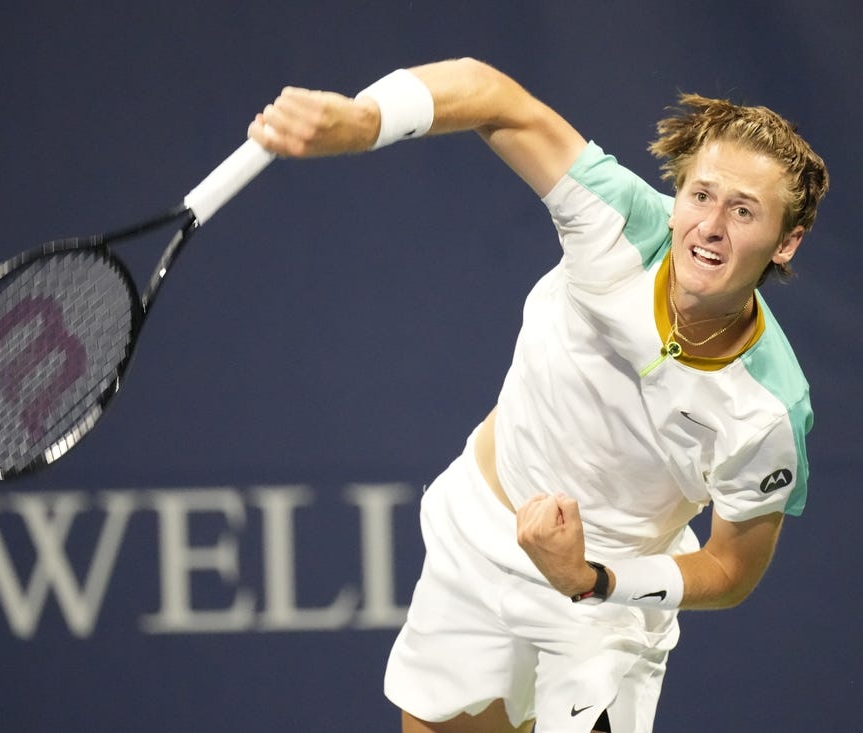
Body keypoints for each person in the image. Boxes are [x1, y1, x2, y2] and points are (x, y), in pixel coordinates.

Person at [248, 58, 829, 733]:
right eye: (701, 196)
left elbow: (731, 569)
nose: (711, 225)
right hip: (479, 540)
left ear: (786, 242)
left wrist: (593, 577)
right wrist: (365, 119)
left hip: (607, 600)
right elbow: (492, 96)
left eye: (744, 210)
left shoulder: (766, 411)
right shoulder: (616, 222)